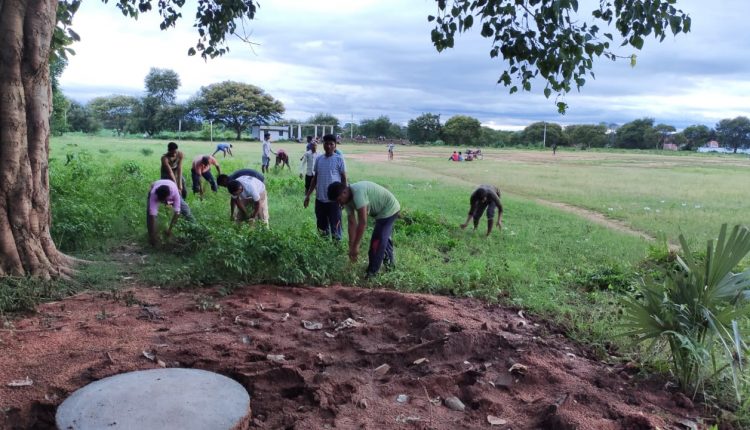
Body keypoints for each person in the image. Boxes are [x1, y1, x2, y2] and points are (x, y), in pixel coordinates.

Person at [328, 181, 400, 277]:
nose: (339, 203)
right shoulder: (346, 200)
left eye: (339, 200)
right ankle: (390, 267)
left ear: (344, 192)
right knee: (384, 239)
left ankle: (372, 273)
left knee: (377, 242)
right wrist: (351, 246)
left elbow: (362, 222)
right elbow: (352, 223)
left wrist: (356, 246)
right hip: (381, 212)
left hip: (389, 208)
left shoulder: (358, 193)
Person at [304, 134, 347, 240]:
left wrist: (344, 198)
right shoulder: (319, 159)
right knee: (322, 229)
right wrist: (308, 195)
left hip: (334, 201)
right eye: (326, 143)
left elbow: (344, 179)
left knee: (336, 229)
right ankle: (323, 247)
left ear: (335, 145)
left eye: (331, 144)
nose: (328, 146)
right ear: (323, 144)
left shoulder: (339, 159)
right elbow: (315, 179)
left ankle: (336, 248)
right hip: (320, 200)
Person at [146, 179, 194, 246]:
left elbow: (177, 213)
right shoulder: (154, 194)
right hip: (155, 186)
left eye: (163, 201)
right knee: (150, 212)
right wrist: (153, 236)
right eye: (160, 200)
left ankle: (194, 228)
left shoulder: (174, 194)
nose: (162, 202)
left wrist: (169, 230)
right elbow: (152, 215)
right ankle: (152, 237)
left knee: (185, 209)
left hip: (171, 189)